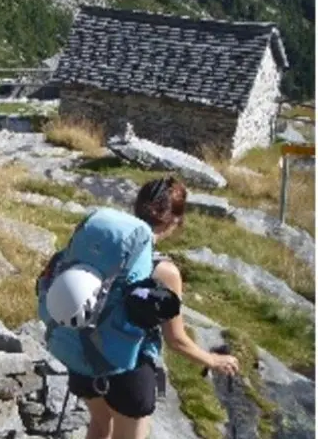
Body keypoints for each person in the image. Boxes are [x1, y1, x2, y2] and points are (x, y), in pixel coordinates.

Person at [68, 176, 241, 439]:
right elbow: (176, 340)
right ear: (174, 220)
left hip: (82, 355)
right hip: (128, 371)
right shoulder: (164, 271)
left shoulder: (103, 247)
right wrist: (213, 360)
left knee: (100, 425)